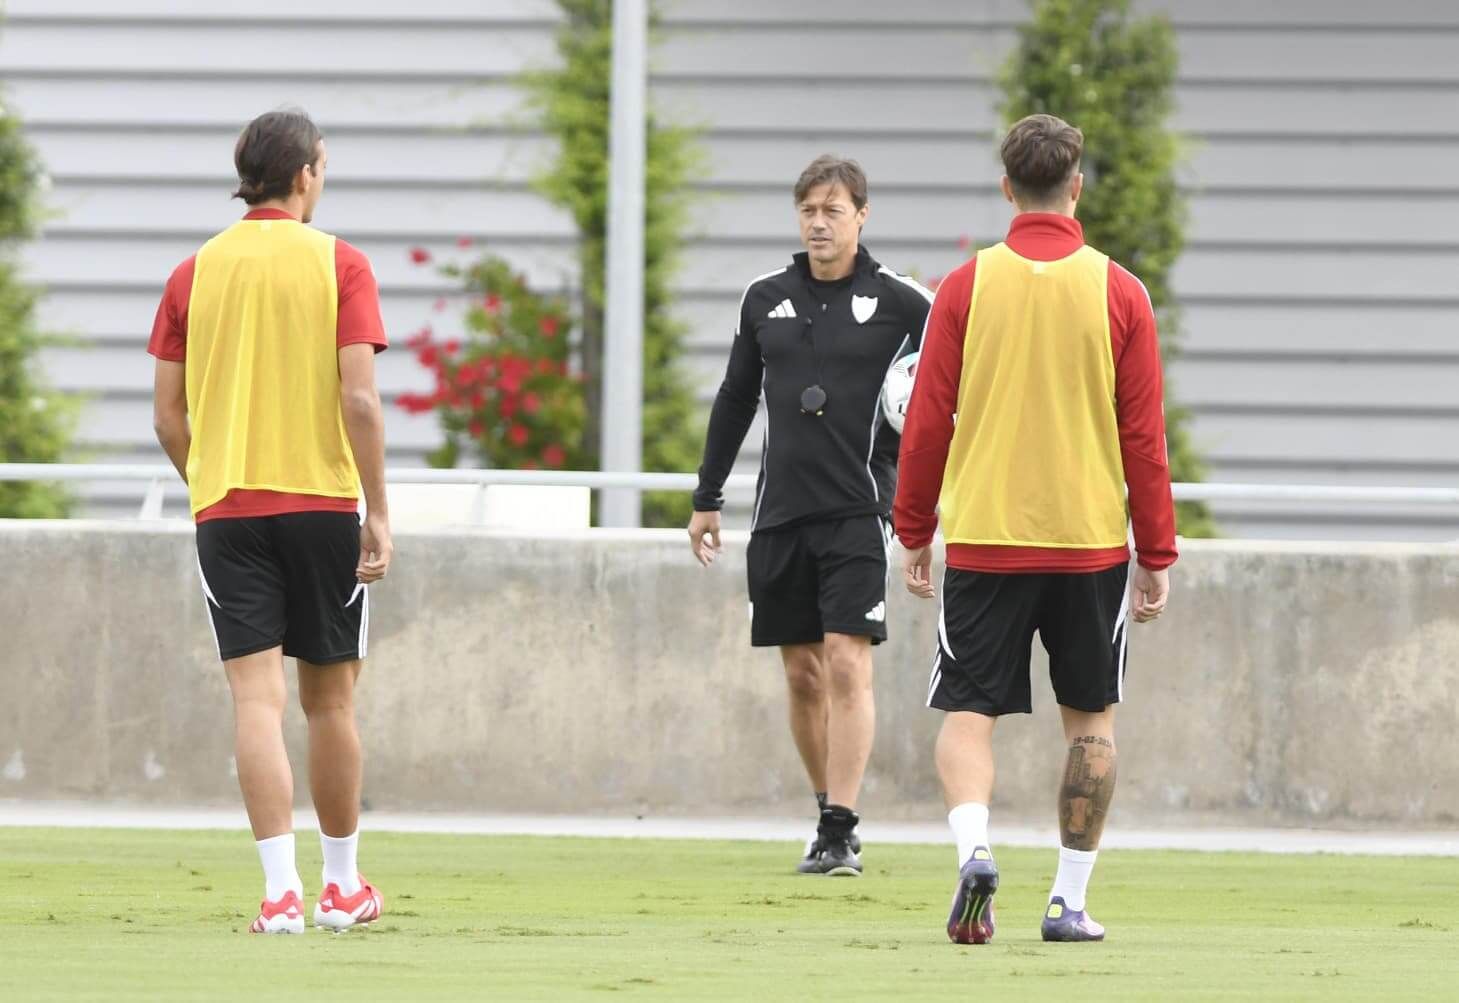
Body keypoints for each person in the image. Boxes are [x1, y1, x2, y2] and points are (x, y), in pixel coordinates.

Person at [893, 114, 1177, 942]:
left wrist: (912, 528)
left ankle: (974, 850)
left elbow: (927, 422)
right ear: (1075, 186)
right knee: (1089, 723)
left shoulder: (964, 286)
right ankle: (1068, 900)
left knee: (967, 712)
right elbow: (1143, 437)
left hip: (984, 535)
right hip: (1087, 540)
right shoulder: (1119, 289)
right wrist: (1154, 550)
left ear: (1006, 187)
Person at [149, 108, 392, 934]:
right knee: (330, 703)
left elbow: (167, 415)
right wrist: (379, 510)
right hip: (324, 503)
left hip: (230, 509)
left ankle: (279, 894)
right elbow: (358, 398)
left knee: (254, 699)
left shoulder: (193, 272)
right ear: (307, 174)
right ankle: (342, 888)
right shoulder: (341, 264)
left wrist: (207, 483)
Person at [690, 156, 933, 876]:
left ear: (862, 215)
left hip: (859, 512)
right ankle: (825, 805)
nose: (818, 222)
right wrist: (707, 496)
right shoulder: (764, 297)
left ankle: (839, 826)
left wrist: (918, 497)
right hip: (778, 513)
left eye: (832, 209)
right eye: (807, 210)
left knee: (846, 661)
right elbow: (736, 398)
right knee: (801, 672)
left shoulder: (904, 304)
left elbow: (947, 396)